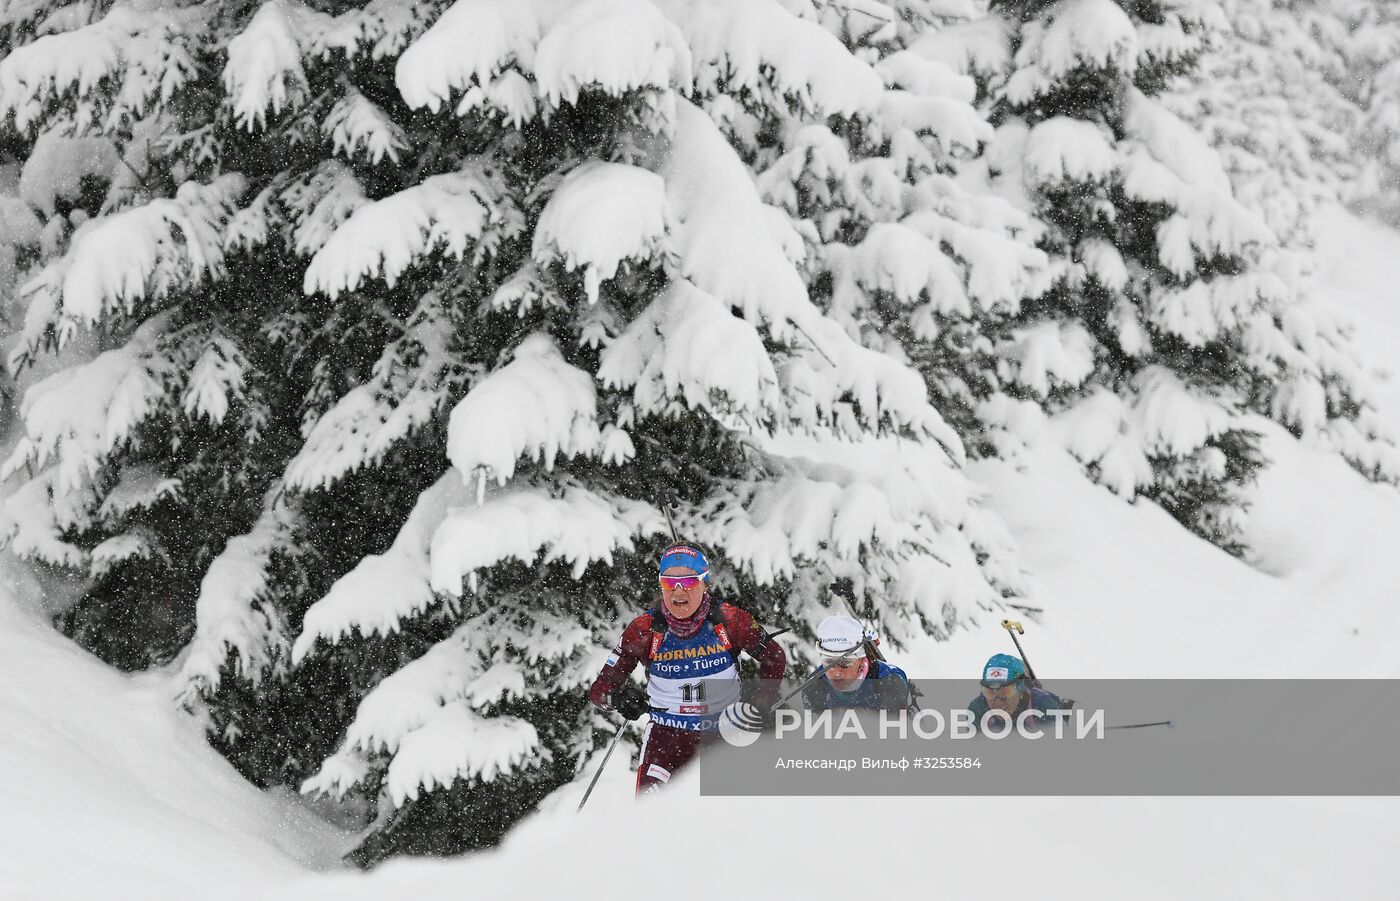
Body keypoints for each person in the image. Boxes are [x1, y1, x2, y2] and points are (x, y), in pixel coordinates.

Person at [588, 542, 787, 794]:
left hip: (721, 731)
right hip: (666, 737)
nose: (678, 591)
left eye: (689, 582)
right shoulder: (644, 629)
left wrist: (761, 704)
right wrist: (618, 699)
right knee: (650, 821)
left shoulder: (730, 620)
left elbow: (774, 658)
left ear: (705, 584)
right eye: (669, 583)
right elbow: (599, 691)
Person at [801, 615, 911, 713]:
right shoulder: (814, 688)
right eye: (829, 662)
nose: (836, 672)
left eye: (844, 663)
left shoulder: (890, 683)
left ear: (862, 660)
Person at [965, 653, 1067, 731]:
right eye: (989, 693)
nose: (998, 703)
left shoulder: (1044, 707)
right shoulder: (977, 710)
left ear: (1021, 689)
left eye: (1005, 693)